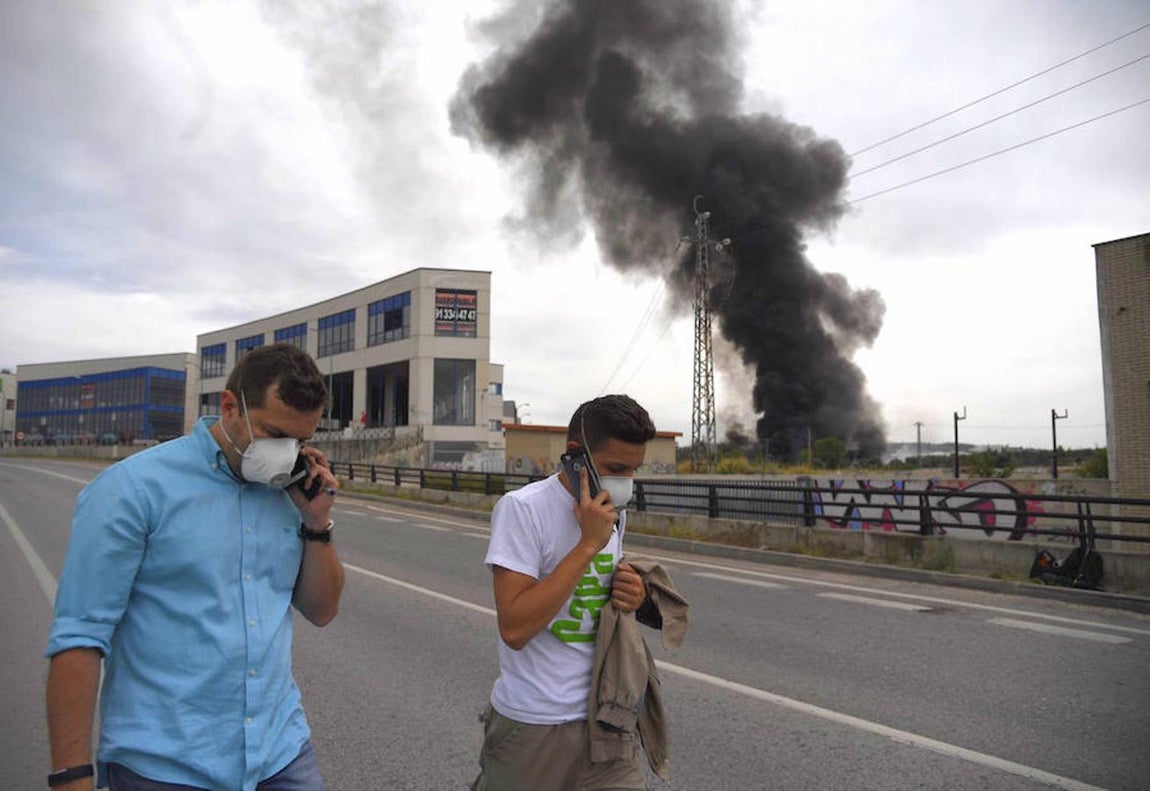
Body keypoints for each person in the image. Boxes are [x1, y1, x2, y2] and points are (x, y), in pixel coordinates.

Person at [45, 343, 345, 791]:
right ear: (229, 406)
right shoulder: (133, 489)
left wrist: (317, 522)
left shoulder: (291, 493)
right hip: (164, 766)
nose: (288, 453)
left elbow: (321, 611)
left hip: (279, 755)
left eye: (300, 441)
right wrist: (72, 778)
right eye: (275, 434)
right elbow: (80, 636)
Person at [472, 394, 661, 790]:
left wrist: (631, 594)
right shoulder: (523, 509)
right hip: (534, 726)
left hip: (607, 721)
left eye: (633, 471)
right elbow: (515, 628)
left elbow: (596, 594)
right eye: (614, 468)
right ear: (576, 455)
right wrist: (587, 545)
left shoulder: (612, 513)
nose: (624, 482)